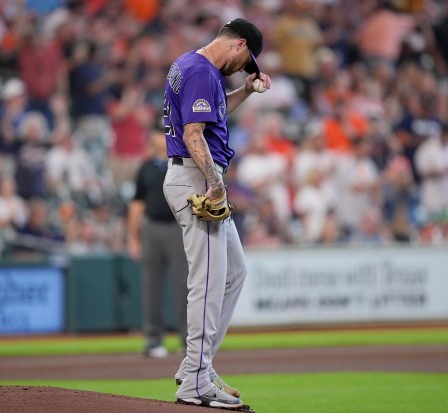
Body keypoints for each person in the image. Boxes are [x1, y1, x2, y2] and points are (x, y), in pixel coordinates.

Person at [162, 18, 270, 410]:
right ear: (239, 44)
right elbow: (193, 135)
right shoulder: (201, 72)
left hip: (193, 172)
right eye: (245, 62)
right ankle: (194, 380)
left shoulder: (191, 66)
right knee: (207, 279)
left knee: (234, 272)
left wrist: (244, 90)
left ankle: (199, 367)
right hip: (194, 176)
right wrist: (215, 184)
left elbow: (212, 120)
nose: (243, 68)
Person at [126, 127, 188, 359]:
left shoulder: (182, 161)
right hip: (151, 227)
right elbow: (136, 204)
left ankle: (188, 340)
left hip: (178, 227)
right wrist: (133, 237)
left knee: (185, 286)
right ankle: (153, 340)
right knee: (152, 286)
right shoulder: (146, 167)